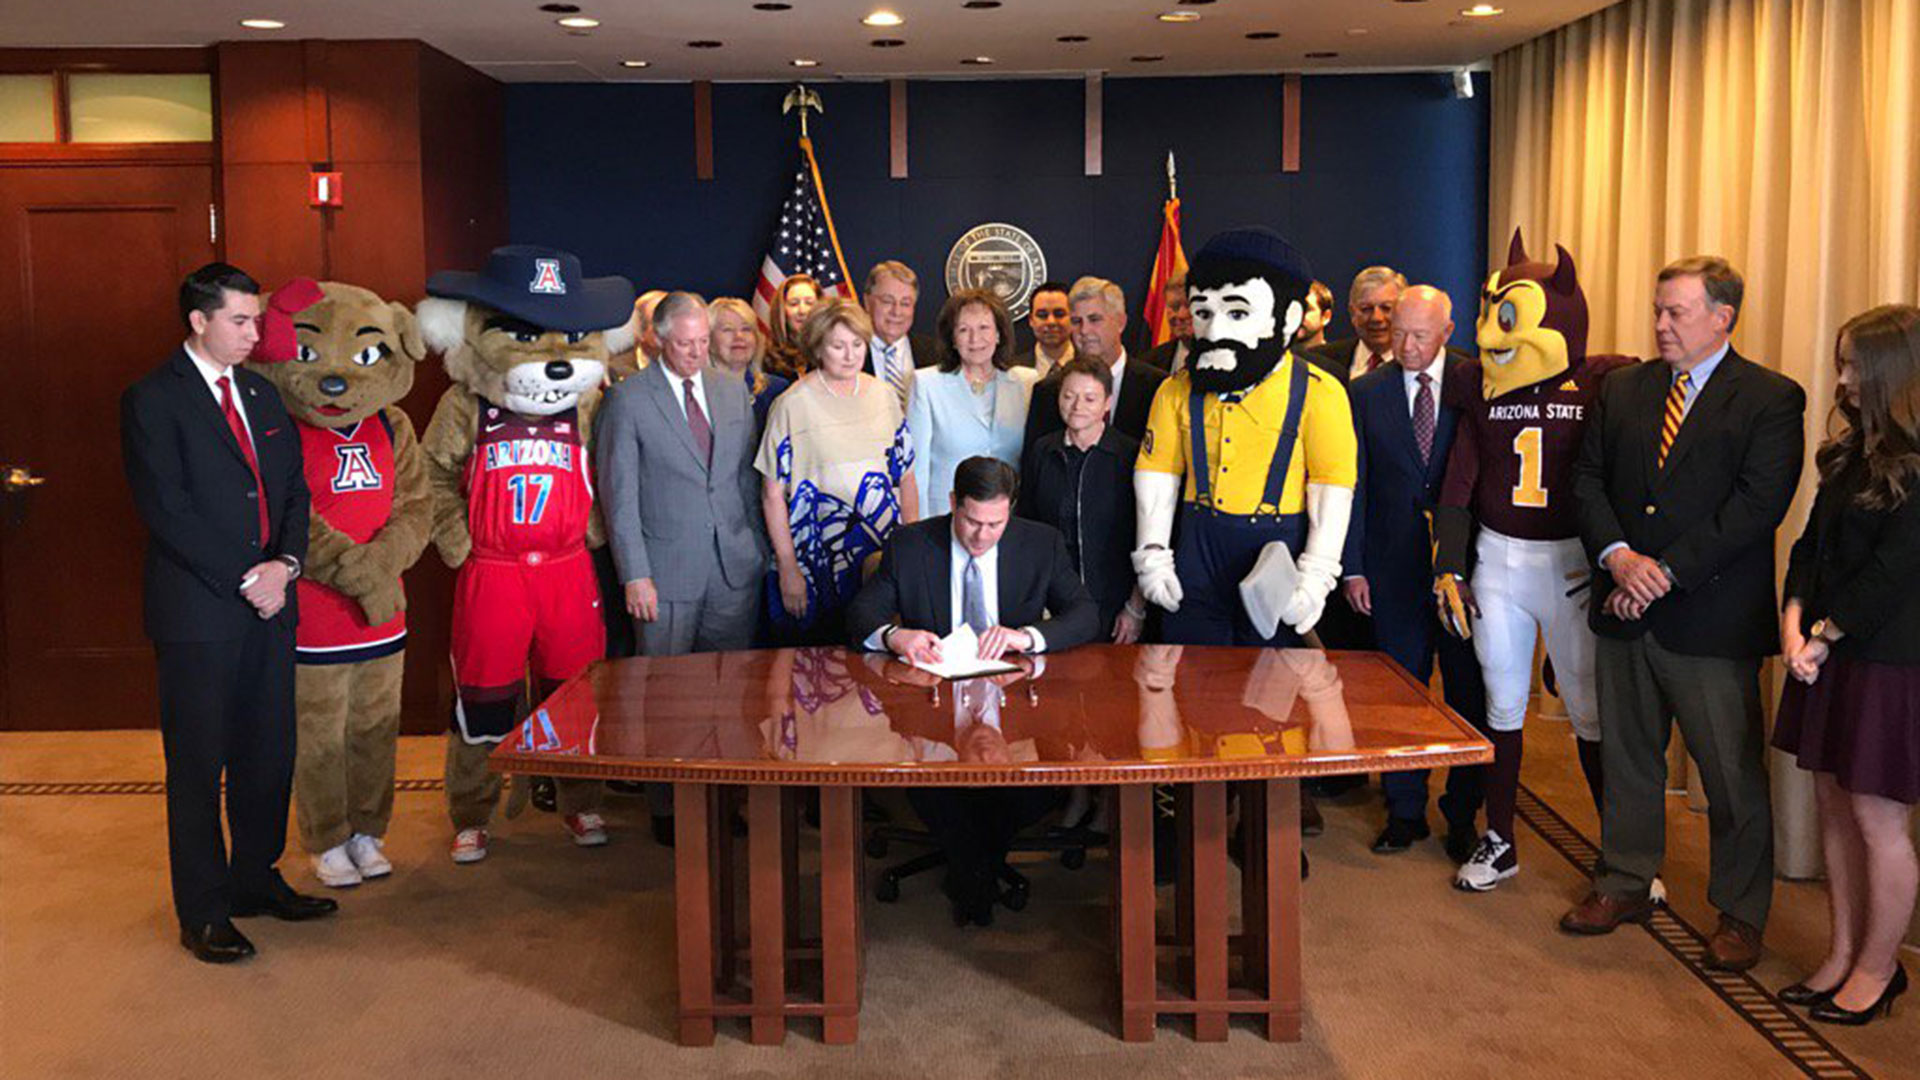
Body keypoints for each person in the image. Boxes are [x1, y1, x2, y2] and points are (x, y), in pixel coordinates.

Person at [1558, 256, 1805, 975]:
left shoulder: (1769, 397)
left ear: (1722, 318)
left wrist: (1662, 572)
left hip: (1711, 620)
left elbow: (1757, 509)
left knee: (1729, 777)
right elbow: (1587, 479)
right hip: (1623, 606)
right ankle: (1625, 881)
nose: (1661, 324)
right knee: (1629, 759)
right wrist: (1617, 558)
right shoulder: (1625, 388)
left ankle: (1740, 912)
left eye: (1677, 313)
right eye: (1658, 310)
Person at [121, 262, 334, 964]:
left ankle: (255, 879)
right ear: (199, 322)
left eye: (256, 319)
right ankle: (205, 910)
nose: (255, 333)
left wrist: (287, 567)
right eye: (240, 321)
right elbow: (167, 511)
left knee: (268, 755)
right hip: (200, 613)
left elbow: (296, 495)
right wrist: (250, 578)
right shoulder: (153, 399)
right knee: (197, 763)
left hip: (272, 606)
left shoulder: (263, 396)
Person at [1432, 234, 1637, 893]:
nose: (1490, 333)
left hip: (1572, 565)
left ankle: (1620, 849)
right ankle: (1501, 838)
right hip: (1499, 557)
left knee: (1587, 707)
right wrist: (1450, 567)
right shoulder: (1482, 391)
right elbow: (1459, 486)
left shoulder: (1600, 383)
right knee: (1502, 700)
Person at [847, 456, 1099, 925]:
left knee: (1023, 787)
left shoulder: (1039, 543)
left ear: (1010, 513)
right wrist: (893, 636)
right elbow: (862, 612)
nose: (982, 536)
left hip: (1018, 708)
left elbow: (1085, 613)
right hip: (934, 708)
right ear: (952, 505)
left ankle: (971, 870)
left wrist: (1028, 637)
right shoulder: (911, 544)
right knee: (941, 788)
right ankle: (977, 878)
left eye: (995, 524)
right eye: (972, 521)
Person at [1771, 304, 1920, 1024]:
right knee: (1832, 805)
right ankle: (1840, 952)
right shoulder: (1849, 453)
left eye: (1853, 364)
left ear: (1893, 370)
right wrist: (1794, 622)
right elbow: (1808, 549)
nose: (1842, 378)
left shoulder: (1917, 465)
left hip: (1888, 660)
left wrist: (1824, 635)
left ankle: (1878, 967)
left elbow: (1892, 573)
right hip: (1826, 650)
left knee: (1877, 819)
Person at [599, 291, 770, 843]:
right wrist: (634, 574)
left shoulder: (730, 390)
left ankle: (728, 799)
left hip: (732, 569)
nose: (697, 353)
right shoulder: (628, 400)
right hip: (663, 573)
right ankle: (669, 808)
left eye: (703, 341)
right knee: (666, 698)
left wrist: (756, 551)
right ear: (658, 338)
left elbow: (745, 480)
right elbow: (618, 497)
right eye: (685, 343)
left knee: (731, 695)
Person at [1134, 228, 1357, 649]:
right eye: (1203, 312)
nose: (1215, 329)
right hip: (1198, 553)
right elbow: (1156, 478)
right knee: (1193, 676)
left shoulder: (1320, 393)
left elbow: (1330, 492)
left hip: (1276, 555)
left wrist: (1316, 576)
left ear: (1288, 317)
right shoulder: (1175, 391)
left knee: (1270, 692)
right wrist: (1152, 555)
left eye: (1236, 313)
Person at [1340, 286, 1489, 860]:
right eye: (1398, 332)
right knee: (1399, 695)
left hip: (1463, 572)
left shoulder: (1476, 384)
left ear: (1448, 332)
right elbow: (1353, 486)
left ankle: (1461, 814)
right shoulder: (1365, 393)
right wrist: (1353, 568)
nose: (1404, 345)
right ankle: (1404, 811)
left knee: (1464, 692)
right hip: (1390, 568)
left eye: (1419, 336)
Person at [759, 299, 920, 644]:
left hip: (881, 557)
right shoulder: (791, 404)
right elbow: (772, 495)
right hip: (814, 562)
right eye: (838, 346)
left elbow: (906, 477)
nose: (850, 355)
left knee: (878, 658)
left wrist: (912, 552)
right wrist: (788, 568)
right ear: (818, 347)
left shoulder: (884, 394)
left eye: (857, 344)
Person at [1018, 357, 1145, 642]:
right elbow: (1027, 524)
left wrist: (1135, 607)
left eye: (1090, 398)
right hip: (1054, 603)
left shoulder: (1129, 455)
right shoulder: (1042, 450)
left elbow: (1144, 536)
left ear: (1107, 403)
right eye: (1069, 396)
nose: (1077, 407)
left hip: (1114, 602)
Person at [907, 289, 1038, 517]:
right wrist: (918, 527)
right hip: (946, 518)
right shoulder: (926, 383)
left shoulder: (1026, 382)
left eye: (984, 328)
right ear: (952, 339)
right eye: (964, 330)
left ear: (999, 334)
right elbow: (916, 470)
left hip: (1008, 518)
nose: (975, 339)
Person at [1026, 276, 1168, 445]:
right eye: (1076, 321)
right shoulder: (1047, 391)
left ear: (1121, 322)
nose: (1084, 330)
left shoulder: (1158, 387)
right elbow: (1035, 464)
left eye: (1094, 319)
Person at [1305, 265, 1407, 383]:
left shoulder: (1419, 366)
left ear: (1404, 311)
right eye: (1366, 309)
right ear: (1352, 313)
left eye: (1386, 308)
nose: (1376, 318)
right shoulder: (1318, 361)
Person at [864, 260, 939, 412]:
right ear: (867, 302)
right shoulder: (844, 355)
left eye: (905, 303)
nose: (896, 312)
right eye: (887, 301)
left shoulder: (937, 354)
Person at [708, 296, 791, 428]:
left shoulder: (777, 391)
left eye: (746, 329)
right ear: (708, 340)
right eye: (728, 329)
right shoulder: (693, 392)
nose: (739, 336)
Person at [764, 273, 822, 381]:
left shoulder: (830, 352)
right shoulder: (766, 357)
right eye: (794, 304)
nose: (802, 311)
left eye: (809, 303)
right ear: (782, 310)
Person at [1016, 280, 1075, 376]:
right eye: (1042, 315)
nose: (1051, 322)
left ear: (1073, 317)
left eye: (1059, 314)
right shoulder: (1012, 371)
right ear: (1031, 320)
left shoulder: (1093, 367)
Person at [1142, 271, 1194, 373]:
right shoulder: (1149, 363)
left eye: (1189, 306)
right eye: (1174, 307)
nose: (1181, 315)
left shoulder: (1231, 359)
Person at [1295, 280, 1334, 350]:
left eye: (1306, 309)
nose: (1298, 315)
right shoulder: (1273, 357)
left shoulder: (1335, 359)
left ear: (1326, 317)